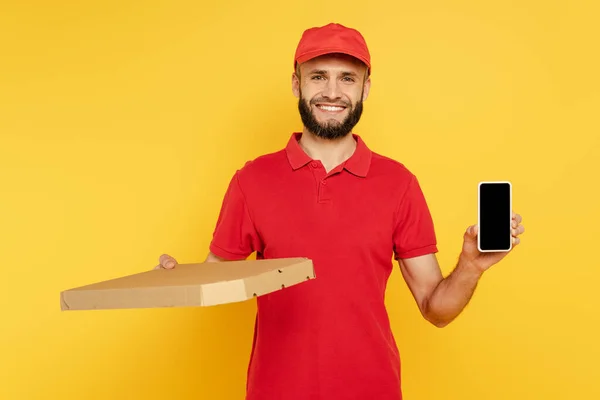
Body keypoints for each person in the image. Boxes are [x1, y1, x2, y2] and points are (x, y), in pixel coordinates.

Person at [156, 23, 524, 400]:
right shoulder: (251, 180)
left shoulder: (399, 184)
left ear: (365, 88)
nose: (332, 92)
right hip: (276, 391)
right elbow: (218, 281)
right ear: (297, 84)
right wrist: (175, 280)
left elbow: (437, 310)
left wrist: (470, 265)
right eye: (319, 76)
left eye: (347, 78)